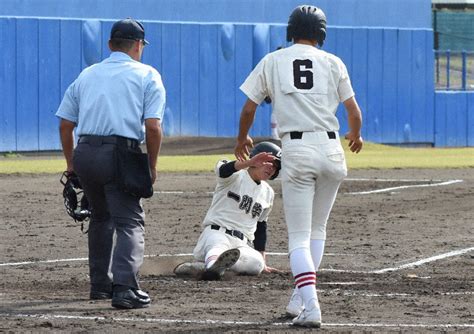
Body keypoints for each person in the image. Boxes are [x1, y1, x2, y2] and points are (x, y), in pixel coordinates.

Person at [234, 5, 363, 328]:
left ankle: (312, 306)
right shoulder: (333, 62)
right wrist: (356, 135)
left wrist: (242, 139)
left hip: (298, 148)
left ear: (290, 31)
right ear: (321, 33)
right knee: (317, 230)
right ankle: (298, 299)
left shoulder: (274, 60)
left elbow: (249, 107)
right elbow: (354, 111)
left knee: (299, 238)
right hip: (333, 150)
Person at [55, 18, 166, 309]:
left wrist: (71, 163)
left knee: (100, 217)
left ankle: (100, 286)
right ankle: (125, 288)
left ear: (109, 45)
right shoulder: (147, 75)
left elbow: (66, 123)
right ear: (139, 46)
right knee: (130, 221)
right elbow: (153, 127)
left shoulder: (87, 74)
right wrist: (151, 166)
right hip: (120, 153)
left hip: (86, 152)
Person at [174, 142, 282, 280]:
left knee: (257, 265)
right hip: (217, 233)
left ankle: (205, 267)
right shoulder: (234, 176)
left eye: (276, 166)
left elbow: (261, 226)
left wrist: (263, 259)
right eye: (268, 162)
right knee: (217, 247)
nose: (272, 168)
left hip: (241, 245)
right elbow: (223, 170)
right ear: (255, 158)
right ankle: (213, 265)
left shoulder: (268, 193)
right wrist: (249, 162)